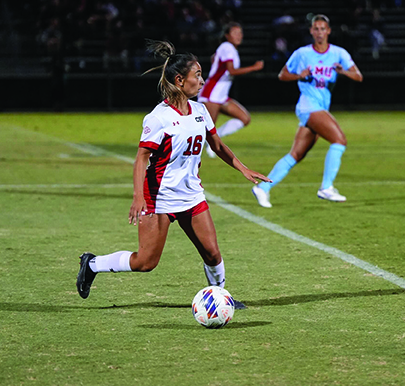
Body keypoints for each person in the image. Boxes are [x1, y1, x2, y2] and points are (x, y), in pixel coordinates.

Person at [76, 40, 271, 303]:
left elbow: (218, 145)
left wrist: (243, 168)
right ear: (180, 80)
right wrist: (138, 196)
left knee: (212, 253)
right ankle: (92, 264)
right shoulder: (159, 118)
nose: (202, 81)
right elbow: (140, 158)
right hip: (159, 198)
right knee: (146, 262)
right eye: (198, 75)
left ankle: (222, 298)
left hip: (191, 195)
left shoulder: (201, 111)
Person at [251, 14, 363, 208]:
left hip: (320, 107)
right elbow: (283, 75)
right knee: (339, 140)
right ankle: (326, 187)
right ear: (311, 31)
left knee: (296, 155)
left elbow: (358, 76)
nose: (319, 32)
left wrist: (342, 71)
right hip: (308, 106)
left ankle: (263, 188)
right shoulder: (302, 53)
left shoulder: (338, 53)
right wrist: (298, 75)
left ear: (328, 31)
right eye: (316, 29)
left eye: (323, 29)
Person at [198, 22, 264, 158]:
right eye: (235, 33)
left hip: (220, 95)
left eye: (240, 33)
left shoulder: (228, 48)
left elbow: (214, 60)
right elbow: (231, 71)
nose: (239, 36)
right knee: (206, 128)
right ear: (227, 36)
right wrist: (254, 67)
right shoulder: (227, 47)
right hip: (212, 93)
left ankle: (213, 143)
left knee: (244, 118)